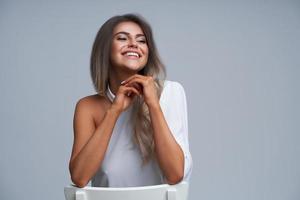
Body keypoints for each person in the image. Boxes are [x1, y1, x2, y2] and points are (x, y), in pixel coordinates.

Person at [68, 13, 192, 188]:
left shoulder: (171, 92)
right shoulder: (87, 107)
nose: (134, 44)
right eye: (122, 38)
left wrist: (153, 105)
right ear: (105, 49)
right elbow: (80, 177)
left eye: (141, 40)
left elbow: (175, 174)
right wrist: (114, 111)